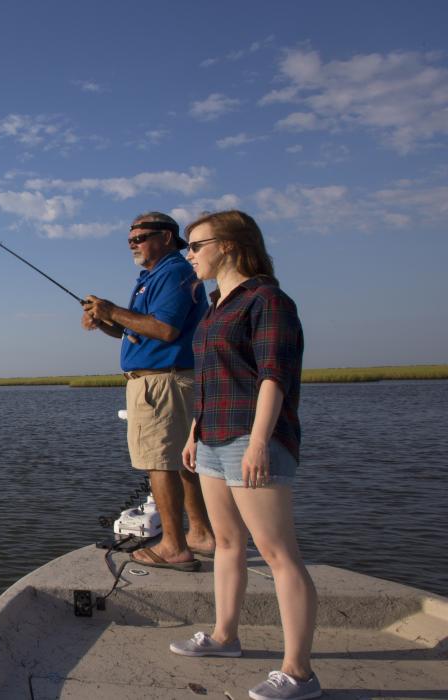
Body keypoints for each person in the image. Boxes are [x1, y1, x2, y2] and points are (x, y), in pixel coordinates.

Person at [166, 210, 318, 700]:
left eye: (196, 245)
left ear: (228, 246)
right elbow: (213, 378)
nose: (189, 256)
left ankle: (299, 673)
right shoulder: (214, 307)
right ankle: (225, 636)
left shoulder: (267, 300)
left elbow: (273, 374)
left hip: (252, 441)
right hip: (212, 438)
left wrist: (257, 442)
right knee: (227, 544)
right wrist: (194, 432)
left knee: (278, 555)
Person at [83, 212, 214, 571]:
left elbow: (166, 329)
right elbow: (140, 331)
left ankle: (174, 546)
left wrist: (112, 310)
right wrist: (107, 320)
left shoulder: (172, 272)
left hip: (161, 383)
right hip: (163, 380)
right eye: (130, 239)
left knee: (159, 462)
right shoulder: (154, 277)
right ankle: (200, 533)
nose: (132, 244)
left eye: (139, 238)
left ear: (167, 238)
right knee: (180, 460)